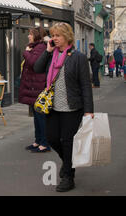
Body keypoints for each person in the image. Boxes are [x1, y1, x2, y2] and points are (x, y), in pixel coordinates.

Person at [34, 22, 94, 192]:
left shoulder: (78, 57)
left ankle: (68, 176)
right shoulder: (51, 55)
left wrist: (89, 111)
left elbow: (85, 86)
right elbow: (37, 68)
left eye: (58, 35)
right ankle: (68, 162)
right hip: (53, 107)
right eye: (53, 35)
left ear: (67, 37)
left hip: (72, 108)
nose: (54, 39)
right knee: (52, 138)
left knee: (67, 142)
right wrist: (47, 51)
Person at [19, 27, 49, 153]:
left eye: (30, 34)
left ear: (36, 36)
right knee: (36, 117)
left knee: (40, 116)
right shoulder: (35, 47)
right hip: (33, 86)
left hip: (38, 86)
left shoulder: (40, 47)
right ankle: (38, 141)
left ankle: (45, 143)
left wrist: (26, 52)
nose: (28, 36)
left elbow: (33, 62)